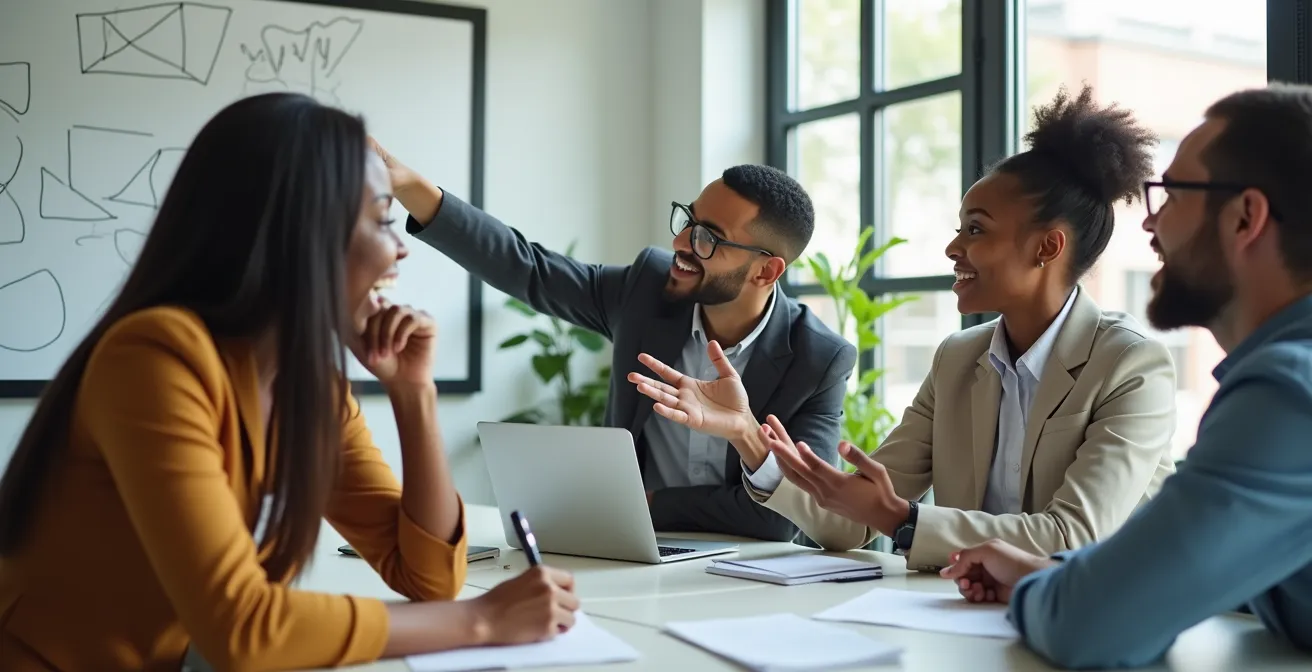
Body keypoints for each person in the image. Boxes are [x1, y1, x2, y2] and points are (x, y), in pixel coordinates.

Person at [0, 93, 578, 671]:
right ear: (305, 230)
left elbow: (429, 579)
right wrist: (484, 620)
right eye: (382, 219)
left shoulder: (312, 391)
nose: (401, 247)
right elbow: (243, 630)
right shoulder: (155, 358)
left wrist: (413, 393)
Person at [631, 84, 1178, 570]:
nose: (952, 248)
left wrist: (903, 520)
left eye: (975, 230)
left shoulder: (1129, 366)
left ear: (1046, 246)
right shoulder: (959, 359)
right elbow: (850, 521)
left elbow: (1072, 538)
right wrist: (748, 437)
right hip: (968, 620)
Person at [941, 83, 1312, 668]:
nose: (1150, 225)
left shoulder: (1289, 391)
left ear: (1246, 218)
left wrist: (1056, 589)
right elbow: (1192, 564)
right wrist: (1059, 574)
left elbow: (1091, 626)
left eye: (1172, 195)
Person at [370, 140, 856, 542]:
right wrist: (413, 187)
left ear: (767, 271)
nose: (682, 243)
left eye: (710, 237)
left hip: (751, 571)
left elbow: (785, 515)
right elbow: (529, 270)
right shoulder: (648, 289)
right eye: (689, 220)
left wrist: (649, 503)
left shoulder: (819, 359)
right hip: (629, 548)